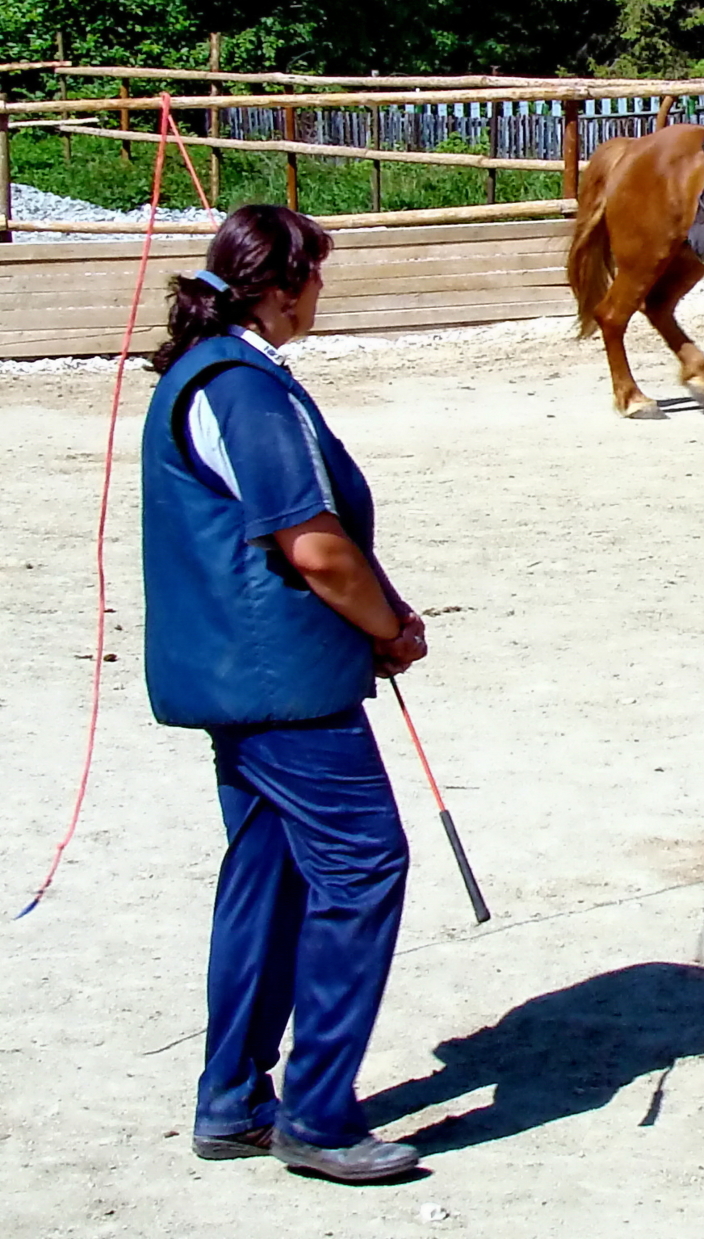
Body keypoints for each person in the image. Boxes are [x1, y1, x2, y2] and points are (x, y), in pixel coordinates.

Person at [141, 204, 429, 1183]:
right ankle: (317, 1114)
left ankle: (232, 1102)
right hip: (282, 685)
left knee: (271, 879)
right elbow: (309, 542)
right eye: (314, 282)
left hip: (254, 678)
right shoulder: (244, 388)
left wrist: (379, 616)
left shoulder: (223, 373)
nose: (319, 300)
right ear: (279, 286)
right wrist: (386, 625)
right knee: (362, 866)